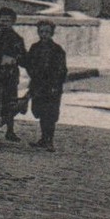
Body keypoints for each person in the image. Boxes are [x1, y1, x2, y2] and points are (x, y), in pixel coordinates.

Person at [21, 19, 69, 151]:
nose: (44, 34)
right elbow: (29, 63)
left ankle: (49, 140)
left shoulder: (57, 50)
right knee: (40, 111)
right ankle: (43, 138)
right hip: (37, 85)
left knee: (50, 113)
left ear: (52, 33)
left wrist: (55, 84)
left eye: (47, 32)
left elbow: (62, 70)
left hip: (52, 87)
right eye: (41, 31)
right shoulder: (34, 48)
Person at [0, 6, 26, 142]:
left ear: (13, 22)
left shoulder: (16, 39)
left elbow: (23, 57)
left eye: (7, 21)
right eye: (2, 20)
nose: (4, 23)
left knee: (10, 100)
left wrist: (14, 59)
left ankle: (10, 130)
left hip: (10, 74)